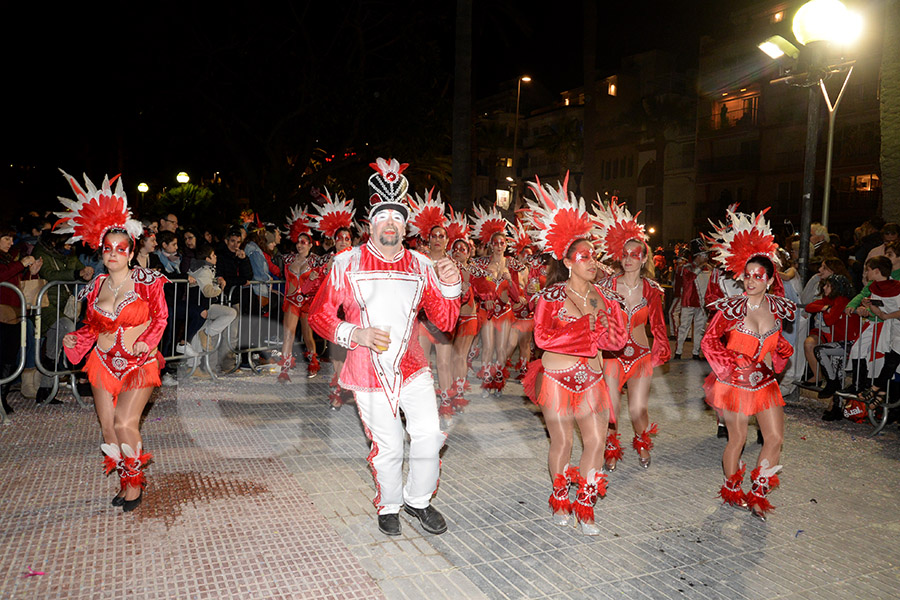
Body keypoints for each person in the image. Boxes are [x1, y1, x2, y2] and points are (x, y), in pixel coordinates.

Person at [309, 157, 461, 537]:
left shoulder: (423, 264)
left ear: (405, 225)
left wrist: (452, 286)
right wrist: (354, 335)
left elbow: (445, 322)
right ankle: (390, 503)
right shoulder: (346, 262)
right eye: (383, 217)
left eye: (397, 218)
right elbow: (319, 315)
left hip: (412, 367)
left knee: (429, 435)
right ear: (371, 223)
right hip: (367, 372)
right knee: (390, 445)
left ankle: (418, 501)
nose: (390, 224)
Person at [56, 171, 168, 512]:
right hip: (103, 363)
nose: (114, 253)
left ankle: (135, 485)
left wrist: (146, 343)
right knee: (108, 429)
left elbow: (161, 318)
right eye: (108, 249)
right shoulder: (95, 287)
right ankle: (123, 478)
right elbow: (92, 327)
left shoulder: (148, 281)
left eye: (121, 248)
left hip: (138, 364)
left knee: (124, 423)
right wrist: (77, 337)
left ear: (132, 251)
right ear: (101, 252)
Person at [523, 175, 627, 535]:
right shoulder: (550, 297)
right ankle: (559, 497)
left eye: (593, 256)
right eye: (583, 257)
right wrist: (587, 331)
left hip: (593, 380)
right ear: (567, 262)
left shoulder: (605, 297)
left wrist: (616, 323)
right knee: (563, 441)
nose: (591, 261)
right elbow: (542, 337)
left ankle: (584, 502)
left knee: (596, 441)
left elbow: (616, 342)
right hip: (556, 380)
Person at [702, 209, 795, 521]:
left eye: (759, 276)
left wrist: (780, 350)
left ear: (769, 280)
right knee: (738, 439)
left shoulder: (777, 308)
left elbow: (779, 347)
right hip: (733, 383)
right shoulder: (732, 308)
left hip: (764, 383)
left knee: (775, 439)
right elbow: (709, 341)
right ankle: (732, 489)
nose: (752, 280)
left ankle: (759, 494)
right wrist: (730, 366)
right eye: (748, 275)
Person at [595, 200, 670, 471]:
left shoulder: (652, 290)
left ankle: (641, 440)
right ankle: (611, 448)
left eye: (635, 254)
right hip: (613, 355)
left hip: (640, 356)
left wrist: (661, 349)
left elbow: (659, 326)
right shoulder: (606, 287)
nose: (628, 259)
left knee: (638, 410)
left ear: (643, 258)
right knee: (611, 409)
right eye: (624, 254)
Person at [407, 190, 457, 416]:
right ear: (428, 239)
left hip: (444, 323)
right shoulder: (420, 262)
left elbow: (460, 295)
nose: (437, 239)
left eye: (441, 236)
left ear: (448, 240)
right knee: (423, 364)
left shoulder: (454, 264)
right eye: (434, 236)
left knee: (444, 364)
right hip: (424, 320)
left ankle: (446, 403)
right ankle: (423, 406)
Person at [469, 205, 522, 395]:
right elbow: (475, 286)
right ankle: (485, 382)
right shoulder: (481, 263)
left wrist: (510, 281)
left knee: (501, 348)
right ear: (491, 245)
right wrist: (485, 298)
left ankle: (497, 382)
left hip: (506, 310)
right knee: (488, 347)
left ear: (506, 245)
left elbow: (517, 296)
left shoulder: (513, 264)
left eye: (502, 243)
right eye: (496, 243)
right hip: (487, 310)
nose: (499, 246)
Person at [310, 190, 356, 409]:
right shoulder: (329, 259)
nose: (343, 242)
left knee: (351, 351)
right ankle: (339, 386)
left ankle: (351, 386)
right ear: (334, 240)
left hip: (352, 311)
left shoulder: (357, 258)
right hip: (334, 311)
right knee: (336, 350)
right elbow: (321, 283)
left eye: (347, 238)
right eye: (339, 239)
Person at [279, 205, 328, 382]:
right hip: (292, 302)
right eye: (298, 242)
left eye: (303, 242)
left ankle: (313, 362)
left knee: (308, 336)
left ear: (310, 245)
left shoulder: (316, 260)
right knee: (288, 335)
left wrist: (317, 277)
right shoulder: (288, 258)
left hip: (307, 303)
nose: (300, 245)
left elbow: (329, 266)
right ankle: (284, 369)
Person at [0, 226, 43, 412]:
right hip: (2, 313)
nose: (11, 243)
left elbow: (17, 280)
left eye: (11, 239)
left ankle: (2, 396)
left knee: (10, 356)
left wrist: (32, 271)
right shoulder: (10, 261)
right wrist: (21, 264)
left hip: (15, 312)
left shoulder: (10, 258)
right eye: (6, 239)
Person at [808, 274, 859, 420]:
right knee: (839, 373)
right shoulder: (832, 301)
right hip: (840, 342)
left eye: (828, 285)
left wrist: (826, 310)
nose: (824, 288)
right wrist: (826, 307)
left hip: (849, 343)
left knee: (820, 350)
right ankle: (836, 407)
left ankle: (831, 382)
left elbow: (830, 320)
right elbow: (811, 306)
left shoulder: (842, 300)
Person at [673, 240, 711, 359]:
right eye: (704, 255)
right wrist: (700, 268)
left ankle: (696, 352)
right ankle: (678, 352)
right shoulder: (687, 267)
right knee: (684, 327)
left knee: (700, 328)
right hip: (688, 302)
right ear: (697, 256)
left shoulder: (708, 268)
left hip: (701, 303)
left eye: (706, 255)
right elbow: (688, 278)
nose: (706, 258)